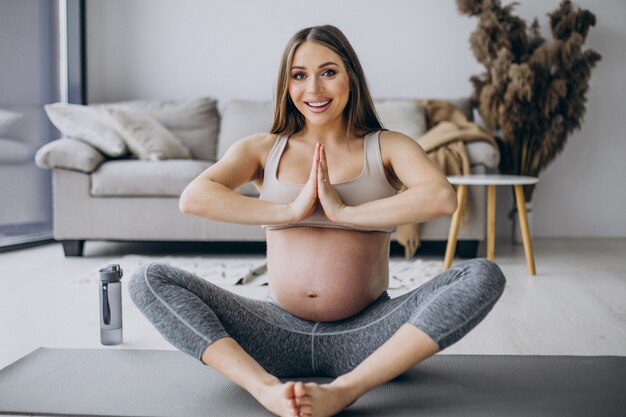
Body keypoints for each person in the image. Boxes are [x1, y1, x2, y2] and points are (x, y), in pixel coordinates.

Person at [128, 24, 506, 417]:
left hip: (367, 334)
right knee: (148, 279)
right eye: (299, 75)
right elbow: (194, 197)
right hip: (275, 331)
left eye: (328, 72)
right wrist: (289, 212)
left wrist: (346, 213)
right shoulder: (262, 148)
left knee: (482, 274)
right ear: (286, 85)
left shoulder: (389, 145)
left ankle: (346, 389)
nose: (314, 90)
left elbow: (441, 197)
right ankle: (266, 390)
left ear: (351, 77)